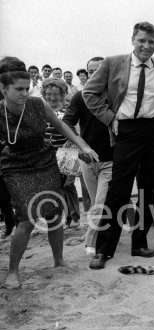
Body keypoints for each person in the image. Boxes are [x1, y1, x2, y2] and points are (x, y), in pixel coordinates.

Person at [83, 22, 154, 269]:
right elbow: (89, 94)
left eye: (151, 42)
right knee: (118, 191)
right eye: (142, 41)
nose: (146, 46)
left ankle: (139, 242)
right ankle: (104, 250)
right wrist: (110, 118)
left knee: (149, 190)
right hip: (126, 131)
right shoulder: (112, 63)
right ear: (133, 40)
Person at [0, 57, 98, 288]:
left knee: (54, 213)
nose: (25, 93)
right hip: (15, 165)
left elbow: (62, 125)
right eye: (19, 89)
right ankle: (13, 271)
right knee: (27, 217)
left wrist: (82, 145)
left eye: (27, 88)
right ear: (4, 89)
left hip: (44, 161)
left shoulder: (37, 104)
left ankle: (58, 259)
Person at [63, 56, 113, 256]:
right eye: (91, 71)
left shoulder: (115, 96)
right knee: (95, 204)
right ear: (86, 74)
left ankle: (91, 242)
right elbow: (66, 123)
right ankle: (106, 233)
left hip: (111, 159)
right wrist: (81, 145)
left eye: (99, 70)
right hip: (87, 160)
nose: (95, 74)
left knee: (100, 204)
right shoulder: (79, 97)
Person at [42, 78, 81, 229]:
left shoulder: (68, 109)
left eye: (56, 94)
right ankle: (66, 218)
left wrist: (71, 144)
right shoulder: (41, 109)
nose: (52, 97)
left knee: (68, 184)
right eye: (48, 93)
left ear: (62, 94)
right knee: (56, 187)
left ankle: (75, 217)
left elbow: (76, 130)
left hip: (68, 151)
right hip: (48, 153)